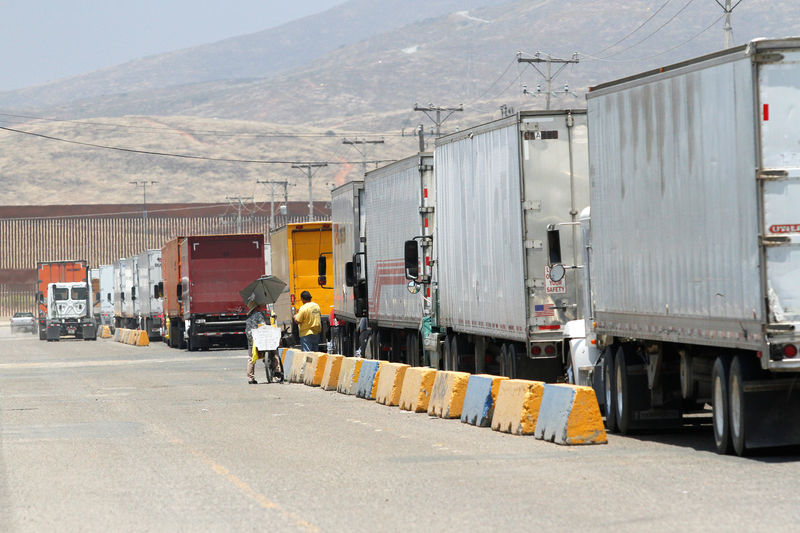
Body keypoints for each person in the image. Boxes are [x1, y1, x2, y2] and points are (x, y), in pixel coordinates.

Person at [245, 304, 269, 384]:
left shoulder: (248, 317)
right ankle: (277, 370)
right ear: (257, 307)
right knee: (273, 350)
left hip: (251, 341)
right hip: (259, 339)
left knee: (251, 358)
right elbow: (263, 326)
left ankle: (250, 378)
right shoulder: (258, 315)